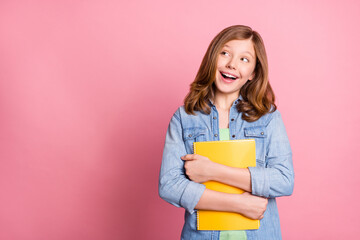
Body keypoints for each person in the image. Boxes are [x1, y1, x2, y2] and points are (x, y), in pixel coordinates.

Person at [158, 25, 294, 240]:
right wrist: (239, 204)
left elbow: (284, 180)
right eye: (225, 53)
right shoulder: (184, 117)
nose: (232, 63)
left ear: (253, 73)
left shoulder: (268, 117)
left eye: (244, 59)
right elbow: (170, 185)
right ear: (213, 58)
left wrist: (213, 171)